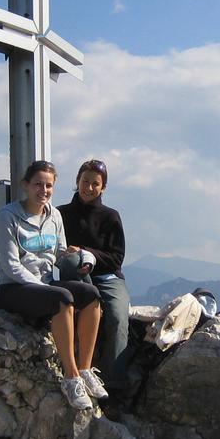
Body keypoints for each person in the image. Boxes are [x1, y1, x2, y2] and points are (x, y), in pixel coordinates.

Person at [0, 160, 108, 411]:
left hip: (44, 284)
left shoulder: (54, 215)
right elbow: (11, 265)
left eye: (48, 186)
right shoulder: (8, 216)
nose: (43, 191)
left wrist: (80, 256)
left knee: (91, 294)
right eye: (38, 185)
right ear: (25, 185)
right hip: (13, 287)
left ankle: (86, 369)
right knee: (62, 298)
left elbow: (58, 253)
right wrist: (42, 287)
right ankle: (71, 377)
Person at [57, 159, 131, 393]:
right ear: (77, 181)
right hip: (76, 277)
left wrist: (88, 254)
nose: (89, 188)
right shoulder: (60, 215)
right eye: (85, 181)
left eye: (95, 184)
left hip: (108, 278)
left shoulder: (110, 217)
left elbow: (116, 258)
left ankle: (114, 385)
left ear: (103, 187)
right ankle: (75, 372)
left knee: (118, 318)